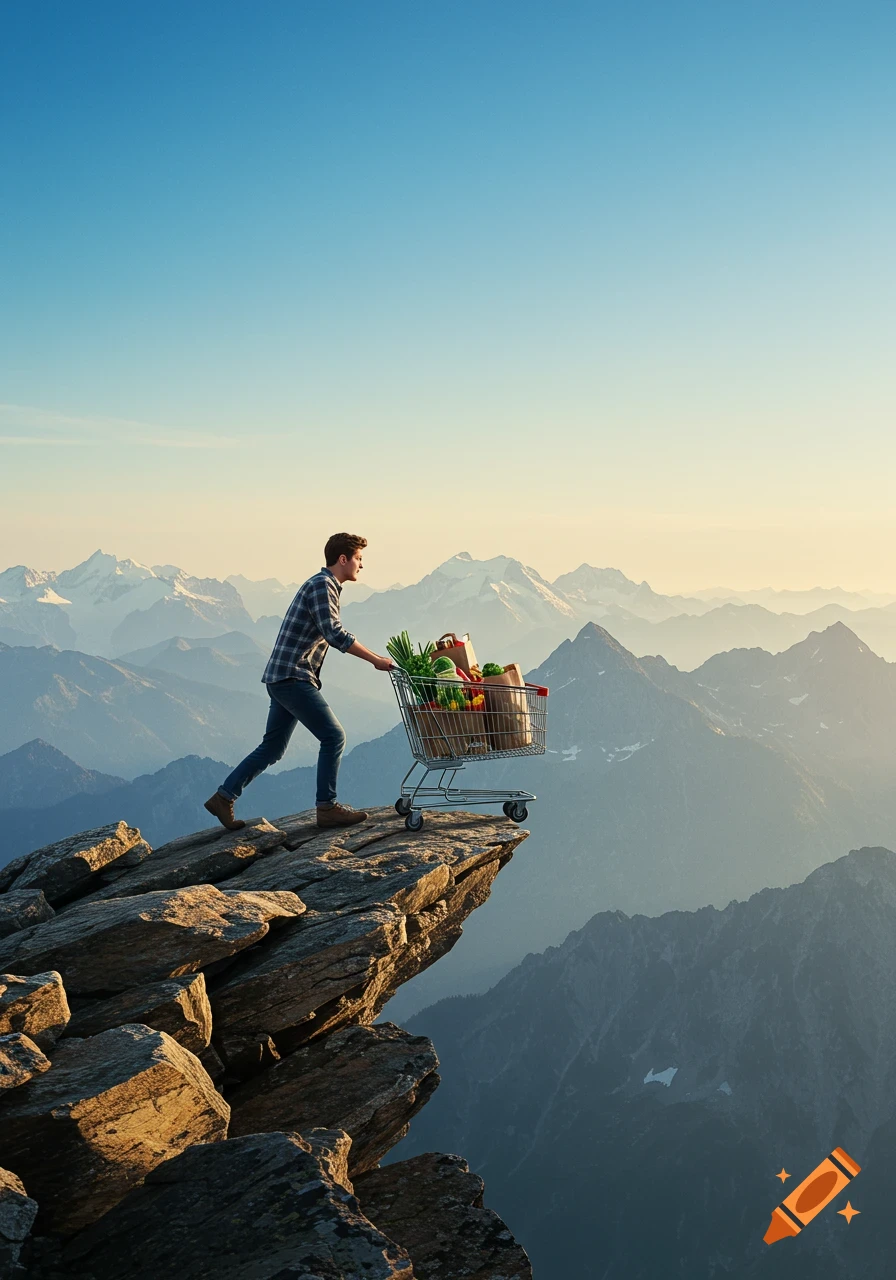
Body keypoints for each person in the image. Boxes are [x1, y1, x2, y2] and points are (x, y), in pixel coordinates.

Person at [204, 532, 393, 831]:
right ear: (342, 559)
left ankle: (223, 797)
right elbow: (334, 633)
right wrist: (376, 660)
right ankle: (327, 807)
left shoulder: (323, 585)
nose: (361, 565)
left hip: (283, 676)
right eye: (358, 559)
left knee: (273, 747)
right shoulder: (322, 585)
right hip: (293, 676)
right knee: (334, 736)